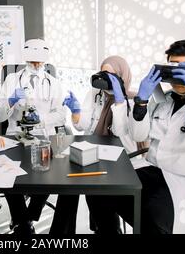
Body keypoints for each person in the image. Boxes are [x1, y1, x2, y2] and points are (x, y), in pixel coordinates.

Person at [86, 40, 185, 234]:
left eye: (183, 72)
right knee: (98, 189)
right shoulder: (164, 100)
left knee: (152, 215)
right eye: (172, 70)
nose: (176, 79)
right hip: (156, 172)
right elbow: (138, 134)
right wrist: (141, 102)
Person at [0, 38, 72, 234]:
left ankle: (26, 218)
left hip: (43, 136)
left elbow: (62, 114)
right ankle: (24, 225)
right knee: (9, 177)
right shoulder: (11, 81)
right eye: (32, 62)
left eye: (40, 62)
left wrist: (42, 119)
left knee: (50, 172)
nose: (36, 65)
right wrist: (10, 101)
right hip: (15, 136)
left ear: (45, 61)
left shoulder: (53, 83)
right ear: (26, 59)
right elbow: (0, 116)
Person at [57, 55, 139, 234]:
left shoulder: (134, 101)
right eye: (103, 73)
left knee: (95, 188)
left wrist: (119, 102)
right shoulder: (95, 93)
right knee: (67, 181)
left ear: (122, 76)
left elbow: (120, 133)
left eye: (111, 75)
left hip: (122, 157)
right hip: (94, 150)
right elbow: (83, 126)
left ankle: (107, 229)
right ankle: (61, 235)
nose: (105, 79)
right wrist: (76, 111)